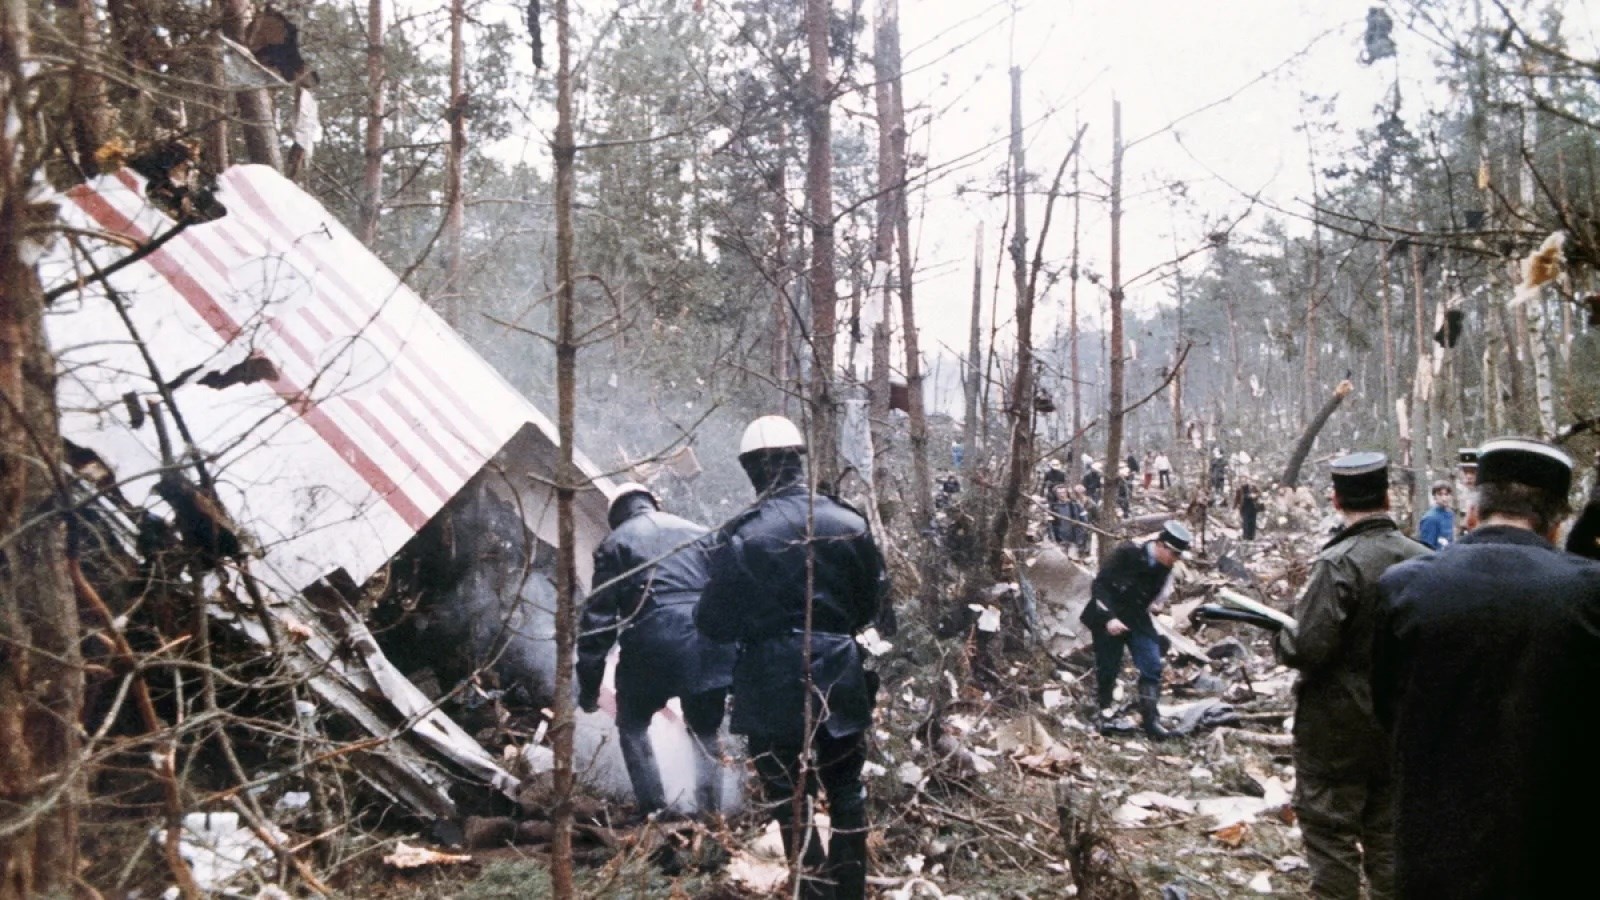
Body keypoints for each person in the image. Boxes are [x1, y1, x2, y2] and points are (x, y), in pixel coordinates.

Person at [1374, 437, 1600, 898]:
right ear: (1555, 524)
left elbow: (1385, 709)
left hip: (1433, 849)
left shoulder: (1405, 588)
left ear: (1473, 511)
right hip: (1554, 853)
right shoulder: (1588, 595)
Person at [697, 415, 890, 900]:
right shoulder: (849, 522)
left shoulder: (740, 534)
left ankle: (813, 889)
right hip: (840, 668)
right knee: (846, 790)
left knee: (788, 797)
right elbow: (875, 606)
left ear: (752, 469)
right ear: (798, 459)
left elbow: (713, 621)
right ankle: (847, 893)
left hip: (768, 676)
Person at [1272, 452, 1428, 900]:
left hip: (1337, 729)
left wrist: (1280, 636)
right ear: (1389, 496)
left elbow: (1307, 647)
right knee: (1389, 834)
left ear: (1336, 499)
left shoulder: (1338, 563)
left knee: (1331, 835)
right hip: (1401, 724)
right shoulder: (1425, 560)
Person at [577, 483, 735, 820]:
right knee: (705, 729)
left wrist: (589, 690)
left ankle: (654, 812)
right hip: (707, 642)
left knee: (632, 723)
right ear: (653, 502)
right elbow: (729, 592)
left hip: (651, 646)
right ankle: (711, 815)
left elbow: (598, 624)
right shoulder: (699, 533)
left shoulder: (614, 544)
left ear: (615, 516)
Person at [1078, 521, 1192, 739]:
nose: (1175, 560)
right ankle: (1103, 709)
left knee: (1151, 663)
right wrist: (1109, 618)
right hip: (1108, 613)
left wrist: (1154, 604)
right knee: (1108, 665)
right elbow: (1099, 586)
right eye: (1173, 554)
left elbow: (1156, 594)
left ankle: (1151, 722)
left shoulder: (1165, 568)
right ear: (1160, 545)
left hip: (1137, 617)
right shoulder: (1127, 553)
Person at [1416, 480, 1454, 550]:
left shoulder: (1450, 514)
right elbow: (1426, 548)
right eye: (1440, 494)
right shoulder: (1430, 518)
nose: (1444, 498)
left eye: (1446, 494)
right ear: (1434, 497)